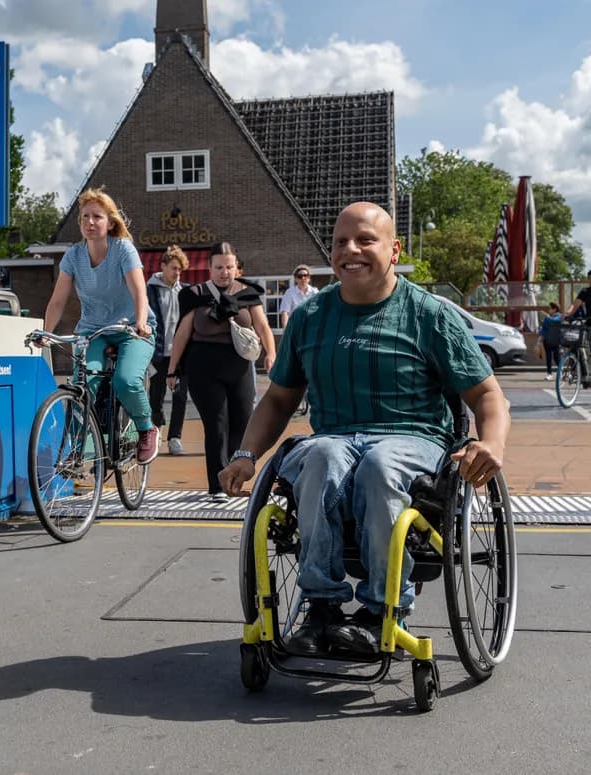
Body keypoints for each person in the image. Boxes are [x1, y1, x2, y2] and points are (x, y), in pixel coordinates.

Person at [219, 202, 508, 658]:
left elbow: (488, 396)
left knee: (379, 463)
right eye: (340, 242)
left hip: (412, 440)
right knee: (322, 457)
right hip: (335, 438)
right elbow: (278, 399)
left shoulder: (429, 315)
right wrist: (245, 455)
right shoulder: (311, 318)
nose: (350, 250)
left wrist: (491, 443)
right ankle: (322, 607)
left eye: (364, 240)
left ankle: (381, 610)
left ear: (393, 251)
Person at [40, 188, 160, 464]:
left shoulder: (123, 250)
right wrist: (46, 332)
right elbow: (58, 300)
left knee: (126, 380)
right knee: (83, 385)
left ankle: (146, 428)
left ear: (110, 222)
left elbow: (139, 291)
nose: (90, 223)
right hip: (93, 330)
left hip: (132, 329)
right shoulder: (73, 256)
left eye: (97, 217)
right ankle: (79, 448)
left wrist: (141, 322)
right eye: (84, 218)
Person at [167, 243, 277, 503]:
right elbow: (182, 334)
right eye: (219, 267)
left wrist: (271, 354)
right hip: (203, 366)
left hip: (239, 365)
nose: (224, 272)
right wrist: (172, 370)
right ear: (209, 268)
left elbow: (262, 326)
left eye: (229, 267)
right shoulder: (194, 294)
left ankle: (234, 480)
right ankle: (217, 485)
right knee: (216, 424)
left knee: (242, 421)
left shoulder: (248, 293)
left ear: (236, 267)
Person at [146, 246, 189, 456]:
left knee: (180, 396)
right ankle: (157, 429)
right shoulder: (150, 290)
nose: (177, 273)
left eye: (180, 270)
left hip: (179, 354)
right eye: (174, 268)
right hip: (157, 353)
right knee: (156, 396)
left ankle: (175, 438)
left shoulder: (185, 291)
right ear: (162, 266)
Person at [538, 301, 562, 380]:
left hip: (556, 340)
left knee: (556, 357)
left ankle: (561, 372)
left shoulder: (559, 316)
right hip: (547, 340)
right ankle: (549, 373)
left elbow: (554, 321)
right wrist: (540, 339)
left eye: (550, 308)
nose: (549, 310)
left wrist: (547, 316)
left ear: (555, 309)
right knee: (548, 357)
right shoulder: (547, 318)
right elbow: (543, 329)